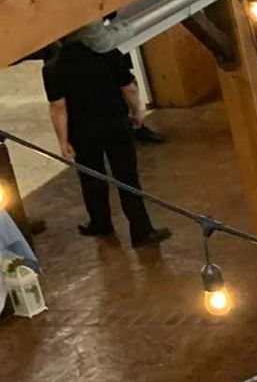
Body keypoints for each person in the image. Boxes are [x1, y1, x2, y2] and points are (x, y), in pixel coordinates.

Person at [42, 27, 170, 246]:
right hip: (115, 124)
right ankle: (141, 231)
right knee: (127, 178)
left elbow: (58, 107)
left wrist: (63, 141)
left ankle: (100, 223)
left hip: (82, 130)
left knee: (92, 178)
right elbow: (128, 88)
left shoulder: (53, 67)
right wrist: (138, 112)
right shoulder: (109, 53)